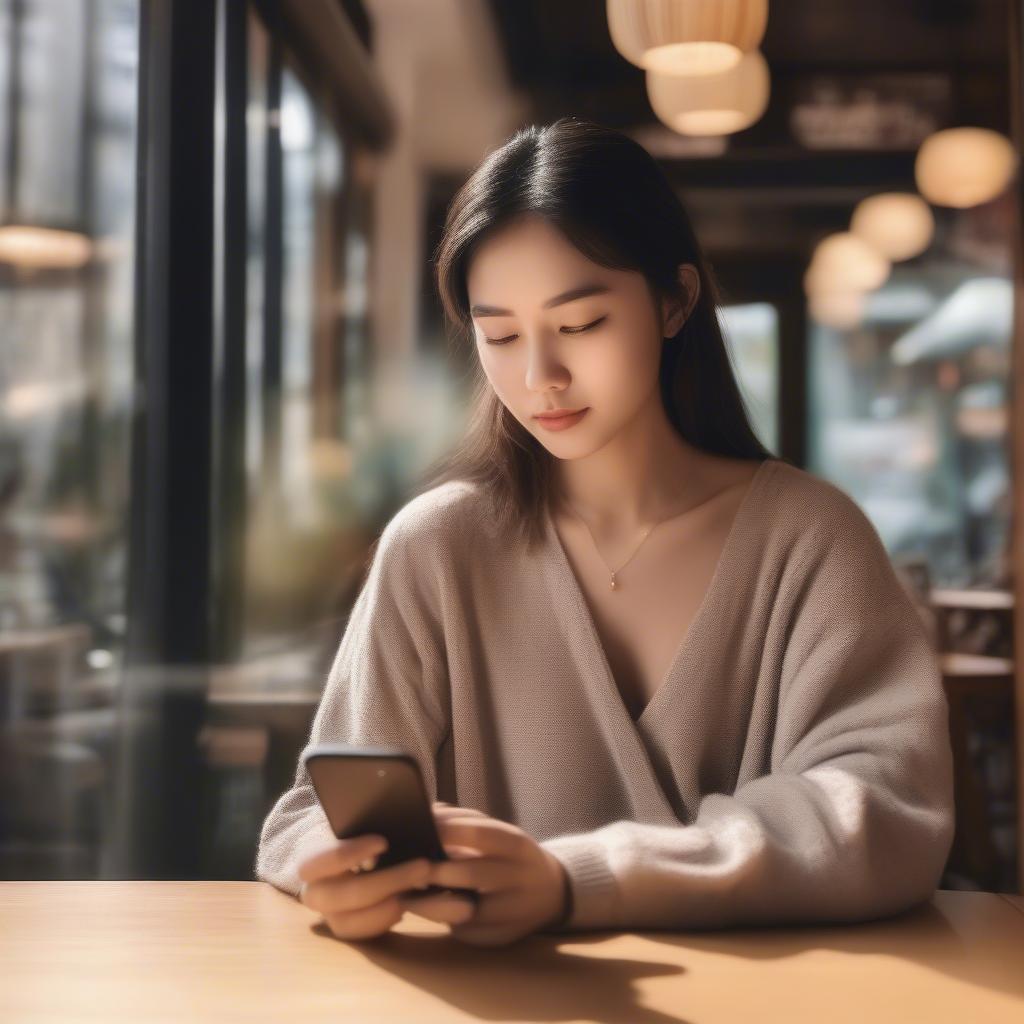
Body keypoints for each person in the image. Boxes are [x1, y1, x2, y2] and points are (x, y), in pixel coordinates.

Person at [255, 117, 955, 948]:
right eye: (500, 336)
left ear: (675, 302)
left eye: (580, 324)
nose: (539, 377)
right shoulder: (438, 547)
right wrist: (336, 870)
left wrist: (581, 881)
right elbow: (308, 813)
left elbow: (885, 807)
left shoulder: (810, 539)